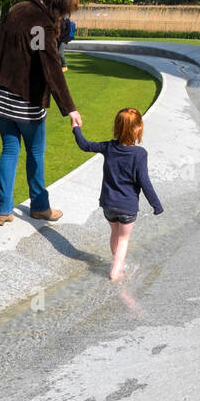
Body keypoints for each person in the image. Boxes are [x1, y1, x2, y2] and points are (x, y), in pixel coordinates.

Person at [0, 0, 83, 225]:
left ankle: (3, 210)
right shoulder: (42, 25)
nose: (63, 15)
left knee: (9, 149)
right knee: (35, 152)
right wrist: (69, 108)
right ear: (58, 4)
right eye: (64, 10)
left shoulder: (18, 9)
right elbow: (49, 66)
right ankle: (39, 207)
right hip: (24, 98)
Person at [72, 108, 163, 280]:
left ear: (117, 127)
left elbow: (85, 145)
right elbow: (144, 182)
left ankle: (116, 261)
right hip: (127, 206)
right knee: (123, 238)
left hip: (108, 204)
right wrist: (156, 205)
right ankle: (116, 270)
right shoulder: (139, 154)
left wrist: (76, 128)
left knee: (115, 232)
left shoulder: (108, 147)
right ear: (137, 130)